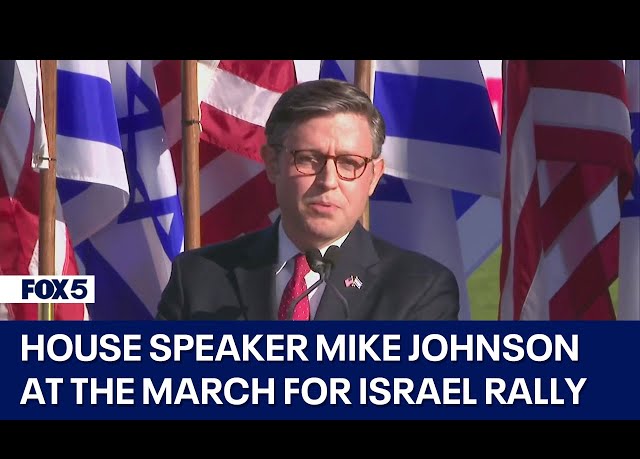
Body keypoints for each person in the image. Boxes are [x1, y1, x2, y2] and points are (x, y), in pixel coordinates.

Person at [156, 78, 460, 320]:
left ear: (373, 176)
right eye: (309, 159)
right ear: (273, 164)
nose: (328, 181)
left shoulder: (419, 288)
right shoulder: (197, 277)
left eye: (349, 163)